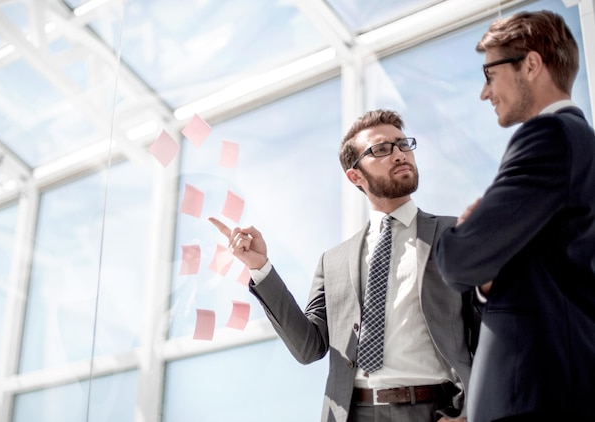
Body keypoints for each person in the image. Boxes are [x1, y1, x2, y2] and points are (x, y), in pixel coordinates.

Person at [209, 109, 480, 422]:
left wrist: (470, 413)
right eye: (381, 149)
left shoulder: (454, 234)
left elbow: (488, 329)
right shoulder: (333, 261)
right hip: (352, 413)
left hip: (434, 409)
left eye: (403, 144)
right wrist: (260, 267)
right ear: (356, 176)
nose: (399, 154)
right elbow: (309, 347)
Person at [435, 10, 595, 422]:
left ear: (531, 64)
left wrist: (462, 234)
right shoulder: (580, 144)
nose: (484, 94)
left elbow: (458, 260)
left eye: (489, 74)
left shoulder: (549, 136)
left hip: (533, 395)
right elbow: (551, 273)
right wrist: (490, 278)